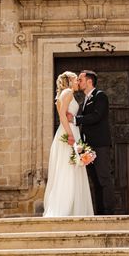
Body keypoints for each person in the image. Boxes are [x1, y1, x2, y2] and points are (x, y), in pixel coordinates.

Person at [43, 71, 94, 217]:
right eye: (76, 79)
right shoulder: (67, 92)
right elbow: (62, 115)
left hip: (71, 130)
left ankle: (73, 207)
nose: (78, 81)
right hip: (68, 133)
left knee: (72, 167)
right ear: (70, 80)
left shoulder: (67, 93)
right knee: (68, 168)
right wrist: (70, 135)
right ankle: (66, 208)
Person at [71, 70, 115, 215]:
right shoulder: (84, 101)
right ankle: (100, 213)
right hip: (87, 146)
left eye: (80, 79)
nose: (78, 81)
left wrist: (77, 119)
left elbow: (97, 116)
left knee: (104, 178)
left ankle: (109, 213)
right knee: (94, 180)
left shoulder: (100, 96)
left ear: (89, 81)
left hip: (100, 144)